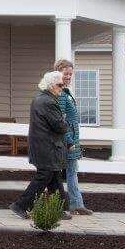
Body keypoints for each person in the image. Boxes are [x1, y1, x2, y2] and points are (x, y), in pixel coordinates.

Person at [9, 70, 72, 220]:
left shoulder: (40, 98)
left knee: (54, 177)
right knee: (44, 176)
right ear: (51, 85)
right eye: (60, 85)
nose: (62, 88)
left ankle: (58, 209)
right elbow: (59, 126)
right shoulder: (48, 102)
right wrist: (65, 122)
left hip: (43, 146)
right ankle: (20, 205)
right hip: (47, 147)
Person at [55, 58, 92, 215]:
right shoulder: (61, 94)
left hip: (72, 139)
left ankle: (76, 204)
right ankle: (74, 204)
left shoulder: (66, 92)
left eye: (70, 74)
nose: (69, 77)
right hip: (66, 141)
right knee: (62, 173)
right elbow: (61, 120)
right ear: (58, 73)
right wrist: (70, 141)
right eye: (66, 73)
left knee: (71, 171)